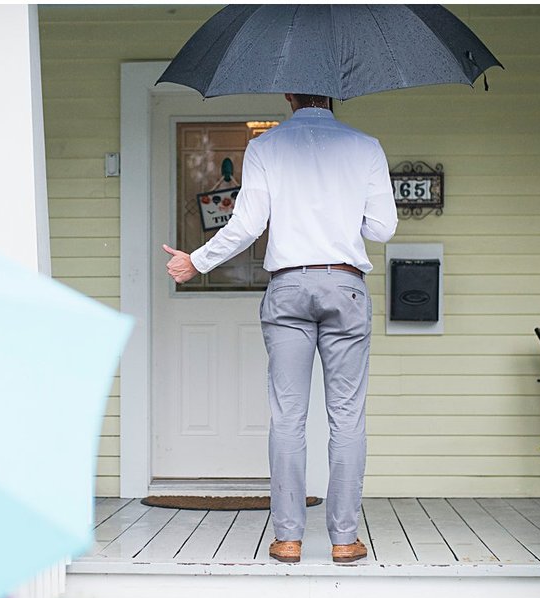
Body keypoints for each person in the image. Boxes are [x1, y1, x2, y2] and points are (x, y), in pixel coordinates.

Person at [162, 93, 398, 564]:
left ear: (289, 95)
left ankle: (288, 538)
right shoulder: (365, 146)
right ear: (336, 91)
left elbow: (248, 225)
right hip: (345, 285)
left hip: (288, 287)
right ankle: (345, 539)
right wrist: (342, 213)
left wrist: (198, 261)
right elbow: (383, 228)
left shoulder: (266, 147)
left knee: (288, 417)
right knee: (346, 417)